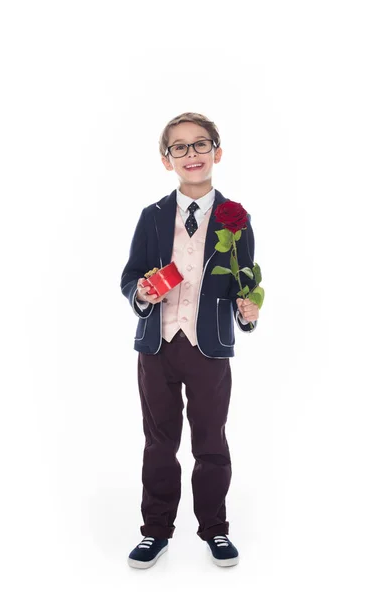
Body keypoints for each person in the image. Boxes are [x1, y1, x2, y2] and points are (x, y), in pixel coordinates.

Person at [120, 112, 259, 569]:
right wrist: (141, 292)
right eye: (179, 147)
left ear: (217, 152)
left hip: (209, 348)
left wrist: (248, 312)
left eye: (200, 145)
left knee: (211, 441)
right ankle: (155, 530)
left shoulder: (235, 218)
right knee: (159, 442)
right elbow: (130, 277)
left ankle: (215, 529)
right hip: (156, 347)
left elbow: (243, 282)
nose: (191, 154)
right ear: (167, 161)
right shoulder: (152, 216)